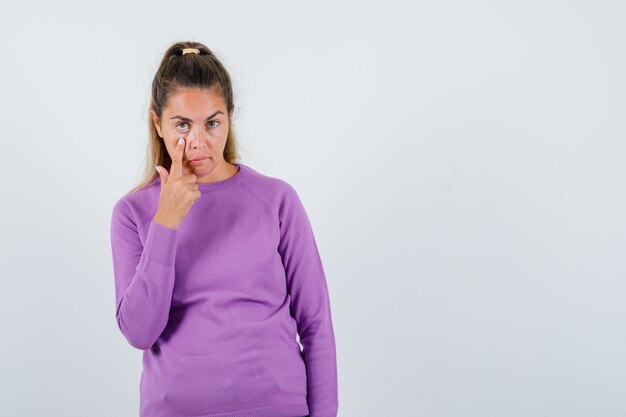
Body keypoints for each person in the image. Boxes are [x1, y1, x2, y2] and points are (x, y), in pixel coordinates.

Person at [109, 41, 338, 417]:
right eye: (182, 125)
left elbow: (315, 324)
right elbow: (139, 332)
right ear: (157, 123)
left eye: (212, 123)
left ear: (229, 117)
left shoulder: (277, 200)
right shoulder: (131, 213)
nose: (198, 142)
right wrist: (165, 222)